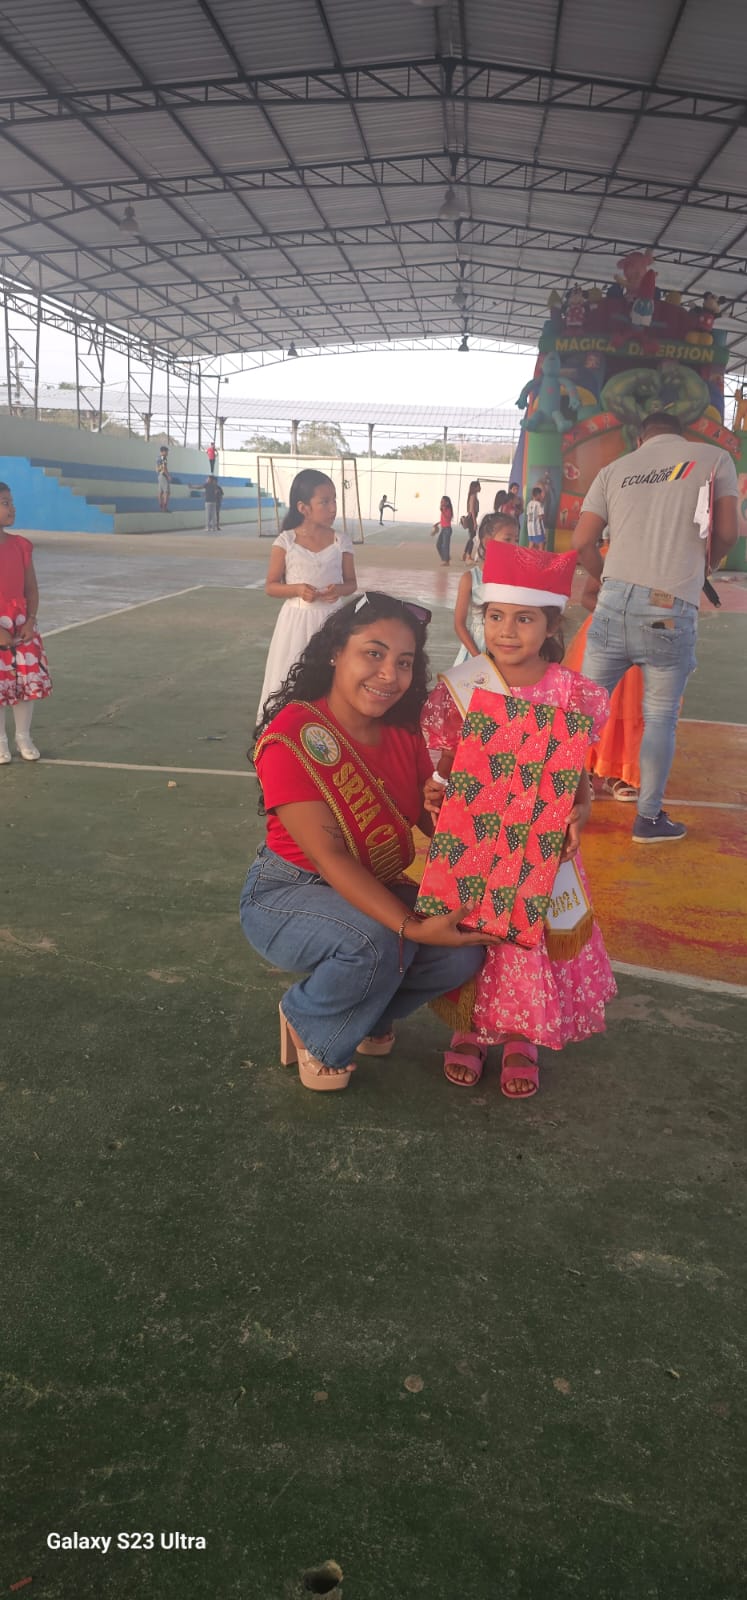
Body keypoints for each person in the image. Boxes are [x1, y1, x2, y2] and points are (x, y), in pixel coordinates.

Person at [241, 593, 488, 1090]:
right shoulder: (295, 734)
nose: (389, 675)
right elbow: (329, 857)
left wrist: (490, 817)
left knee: (462, 950)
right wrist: (412, 927)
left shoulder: (402, 733)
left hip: (374, 881)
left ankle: (368, 1015)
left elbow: (431, 822)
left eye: (404, 662)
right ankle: (309, 1020)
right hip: (287, 892)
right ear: (336, 652)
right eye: (373, 653)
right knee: (378, 939)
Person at [421, 543, 615, 1097]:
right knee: (475, 934)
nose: (506, 631)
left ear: (551, 625)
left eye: (524, 619)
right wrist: (436, 792)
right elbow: (447, 766)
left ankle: (519, 1037)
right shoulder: (464, 686)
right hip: (477, 843)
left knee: (527, 945)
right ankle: (472, 1030)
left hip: (541, 851)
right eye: (496, 616)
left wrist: (582, 810)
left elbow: (576, 774)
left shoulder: (569, 691)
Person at [573, 411, 739, 843]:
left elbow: (581, 541)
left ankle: (550, 806)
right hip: (669, 606)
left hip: (612, 603)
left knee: (579, 716)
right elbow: (728, 531)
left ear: (640, 438)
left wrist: (607, 578)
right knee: (660, 718)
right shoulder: (713, 458)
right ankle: (648, 820)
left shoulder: (614, 470)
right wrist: (707, 564)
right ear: (680, 435)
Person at [256, 469, 357, 725]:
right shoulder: (286, 542)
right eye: (325, 502)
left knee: (331, 676)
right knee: (291, 672)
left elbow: (351, 583)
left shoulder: (341, 541)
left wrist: (339, 589)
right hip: (296, 621)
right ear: (303, 508)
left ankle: (328, 726)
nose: (333, 508)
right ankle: (287, 725)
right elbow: (271, 586)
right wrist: (297, 589)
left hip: (333, 620)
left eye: (334, 500)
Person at [564, 557, 642, 802]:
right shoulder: (611, 555)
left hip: (642, 639)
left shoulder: (661, 556)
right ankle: (583, 770)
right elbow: (587, 596)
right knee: (591, 703)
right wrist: (611, 613)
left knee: (629, 707)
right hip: (603, 636)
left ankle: (617, 773)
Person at [0, 482, 52, 763]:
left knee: (24, 684)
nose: (12, 508)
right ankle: (0, 741)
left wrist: (30, 621)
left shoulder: (21, 545)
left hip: (20, 626)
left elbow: (31, 588)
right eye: (5, 503)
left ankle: (23, 736)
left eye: (11, 502)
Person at [452, 513, 518, 663]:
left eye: (516, 540)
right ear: (488, 542)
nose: (514, 545)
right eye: (508, 539)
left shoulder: (516, 577)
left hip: (506, 647)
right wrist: (478, 657)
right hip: (477, 649)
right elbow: (459, 624)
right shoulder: (470, 578)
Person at [461, 481, 481, 561]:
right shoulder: (473, 496)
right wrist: (475, 522)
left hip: (472, 518)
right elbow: (472, 510)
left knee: (471, 537)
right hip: (471, 519)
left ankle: (465, 554)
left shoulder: (474, 496)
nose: (480, 488)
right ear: (475, 487)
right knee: (472, 538)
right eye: (479, 486)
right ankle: (468, 555)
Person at [432, 495, 454, 564]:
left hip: (447, 529)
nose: (441, 503)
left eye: (443, 501)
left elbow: (448, 518)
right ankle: (446, 558)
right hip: (443, 529)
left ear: (447, 503)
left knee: (445, 545)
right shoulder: (443, 510)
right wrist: (437, 523)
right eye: (441, 501)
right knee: (438, 545)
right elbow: (443, 519)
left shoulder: (448, 509)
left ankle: (446, 561)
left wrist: (443, 511)